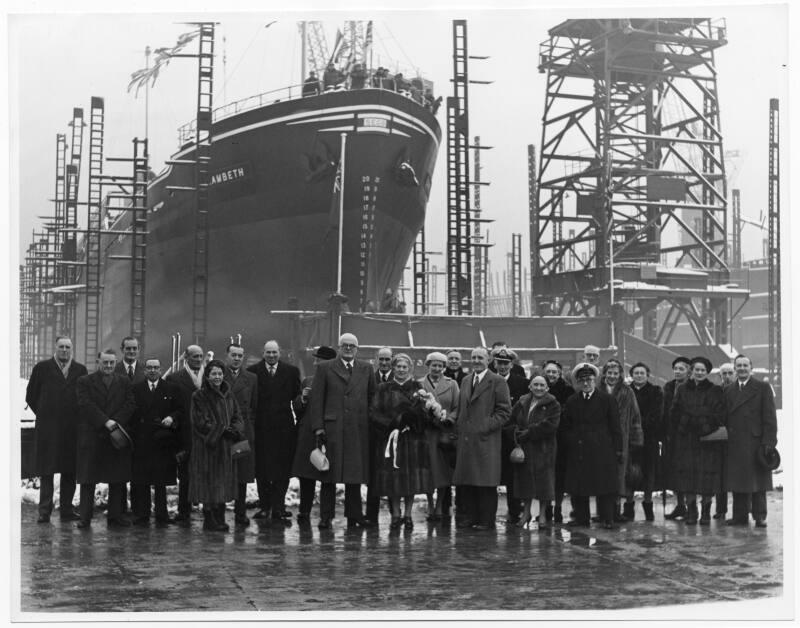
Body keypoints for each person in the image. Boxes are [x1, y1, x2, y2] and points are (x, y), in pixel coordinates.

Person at [309, 333, 376, 529]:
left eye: (352, 346)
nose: (348, 349)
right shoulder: (325, 368)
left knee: (354, 476)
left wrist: (369, 423)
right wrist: (319, 427)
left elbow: (373, 398)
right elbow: (317, 400)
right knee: (328, 474)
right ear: (339, 347)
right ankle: (326, 516)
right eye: (344, 346)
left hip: (358, 429)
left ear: (357, 349)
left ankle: (354, 516)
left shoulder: (366, 368)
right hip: (333, 428)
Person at [26, 336, 88, 523]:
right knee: (47, 471)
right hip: (48, 430)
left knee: (69, 471)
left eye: (68, 347)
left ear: (72, 349)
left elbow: (85, 398)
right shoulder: (42, 368)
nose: (64, 350)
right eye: (61, 346)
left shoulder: (80, 370)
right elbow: (31, 396)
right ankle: (44, 511)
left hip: (72, 430)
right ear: (55, 348)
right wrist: (45, 414)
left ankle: (67, 510)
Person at [452, 347, 512, 531]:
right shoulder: (465, 380)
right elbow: (462, 408)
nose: (476, 360)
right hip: (466, 440)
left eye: (480, 357)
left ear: (489, 361)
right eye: (473, 357)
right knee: (468, 481)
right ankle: (468, 517)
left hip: (486, 440)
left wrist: (484, 426)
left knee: (485, 483)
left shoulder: (497, 381)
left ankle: (486, 520)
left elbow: (504, 411)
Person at [372, 353, 435, 529]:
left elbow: (425, 413)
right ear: (393, 368)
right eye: (398, 366)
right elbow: (375, 412)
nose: (401, 370)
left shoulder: (418, 387)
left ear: (410, 369)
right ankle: (396, 513)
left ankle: (408, 514)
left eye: (404, 367)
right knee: (393, 476)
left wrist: (414, 419)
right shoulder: (383, 388)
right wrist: (393, 423)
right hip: (391, 438)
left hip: (412, 439)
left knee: (410, 478)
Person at [75, 349, 136, 528]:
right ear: (98, 362)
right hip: (92, 435)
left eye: (111, 363)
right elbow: (84, 404)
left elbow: (130, 404)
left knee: (117, 479)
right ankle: (85, 518)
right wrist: (104, 421)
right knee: (88, 479)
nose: (108, 366)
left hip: (115, 436)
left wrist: (115, 422)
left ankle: (115, 517)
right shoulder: (84, 381)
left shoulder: (124, 381)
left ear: (115, 363)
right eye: (105, 362)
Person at [561, 363, 622, 530]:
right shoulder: (572, 401)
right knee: (579, 486)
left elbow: (616, 427)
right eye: (582, 380)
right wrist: (572, 441)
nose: (586, 383)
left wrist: (617, 449)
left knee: (605, 485)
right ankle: (582, 518)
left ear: (595, 380)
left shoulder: (607, 400)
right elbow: (566, 426)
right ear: (578, 382)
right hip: (579, 449)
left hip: (602, 449)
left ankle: (607, 518)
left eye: (589, 379)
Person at [247, 340, 302, 525]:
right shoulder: (253, 371)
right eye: (268, 352)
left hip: (284, 427)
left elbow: (296, 398)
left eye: (274, 352)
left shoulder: (291, 371)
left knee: (282, 469)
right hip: (261, 427)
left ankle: (278, 507)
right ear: (263, 353)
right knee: (262, 468)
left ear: (280, 352)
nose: (271, 355)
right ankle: (265, 506)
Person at [189, 359, 245, 532]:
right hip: (208, 448)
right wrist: (221, 431)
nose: (217, 377)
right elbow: (199, 422)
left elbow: (238, 416)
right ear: (207, 376)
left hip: (226, 447)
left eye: (220, 373)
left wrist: (235, 430)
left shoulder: (229, 394)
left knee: (223, 482)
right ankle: (209, 518)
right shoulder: (199, 396)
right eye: (213, 373)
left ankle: (219, 515)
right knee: (208, 482)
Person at [669, 356, 725, 525]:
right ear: (691, 371)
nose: (699, 373)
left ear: (707, 372)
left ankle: (706, 511)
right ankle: (692, 511)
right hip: (686, 440)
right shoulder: (682, 389)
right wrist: (684, 425)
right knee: (688, 476)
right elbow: (675, 411)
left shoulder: (715, 390)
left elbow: (719, 414)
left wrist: (704, 426)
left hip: (707, 440)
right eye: (696, 370)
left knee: (708, 476)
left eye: (703, 370)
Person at [724, 355, 778, 528]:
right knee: (738, 480)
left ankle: (760, 516)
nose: (741, 368)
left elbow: (770, 417)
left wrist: (769, 441)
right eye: (738, 365)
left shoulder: (762, 388)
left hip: (756, 442)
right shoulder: (729, 390)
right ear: (734, 368)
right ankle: (739, 516)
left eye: (745, 365)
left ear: (751, 368)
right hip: (735, 441)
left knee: (758, 481)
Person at [129, 358, 181, 527]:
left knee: (161, 481)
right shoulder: (136, 389)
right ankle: (142, 514)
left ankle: (162, 514)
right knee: (142, 480)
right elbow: (131, 412)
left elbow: (180, 410)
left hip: (162, 441)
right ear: (144, 371)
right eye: (149, 367)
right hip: (142, 440)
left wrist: (171, 418)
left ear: (161, 370)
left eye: (156, 368)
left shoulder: (170, 388)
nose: (152, 370)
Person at [290, 345, 338, 523]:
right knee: (306, 476)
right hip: (307, 433)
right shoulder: (308, 381)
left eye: (320, 359)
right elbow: (297, 409)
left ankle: (326, 516)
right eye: (316, 359)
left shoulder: (339, 382)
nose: (316, 362)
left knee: (328, 477)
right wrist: (302, 399)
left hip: (329, 434)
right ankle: (304, 511)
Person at [511, 376, 561, 530]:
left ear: (547, 388)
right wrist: (516, 432)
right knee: (525, 482)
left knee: (544, 482)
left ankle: (542, 514)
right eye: (536, 385)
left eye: (542, 385)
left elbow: (551, 425)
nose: (539, 388)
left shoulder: (553, 404)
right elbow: (512, 420)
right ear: (530, 387)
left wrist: (530, 432)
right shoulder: (522, 402)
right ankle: (525, 513)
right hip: (525, 449)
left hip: (544, 448)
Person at [165, 344, 205, 526]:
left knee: (206, 472)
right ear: (186, 358)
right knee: (186, 475)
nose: (198, 359)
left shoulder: (211, 375)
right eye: (194, 356)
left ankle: (208, 509)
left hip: (206, 432)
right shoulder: (175, 378)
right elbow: (172, 408)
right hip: (185, 433)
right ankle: (184, 510)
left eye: (200, 356)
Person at [600, 359, 643, 522]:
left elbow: (635, 417)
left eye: (615, 373)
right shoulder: (598, 389)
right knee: (602, 474)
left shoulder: (627, 392)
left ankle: (615, 511)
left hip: (622, 439)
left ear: (620, 375)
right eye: (609, 373)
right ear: (604, 374)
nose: (612, 376)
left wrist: (636, 440)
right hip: (601, 438)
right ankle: (603, 512)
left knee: (619, 475)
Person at [419, 352, 459, 522]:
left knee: (443, 471)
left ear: (444, 367)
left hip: (444, 433)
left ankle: (440, 506)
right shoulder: (419, 383)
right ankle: (429, 504)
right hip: (426, 432)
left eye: (440, 366)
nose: (437, 368)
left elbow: (458, 407)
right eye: (433, 365)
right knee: (428, 470)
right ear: (428, 365)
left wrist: (448, 419)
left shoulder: (452, 384)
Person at [493, 347, 529, 525]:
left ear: (511, 364)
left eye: (506, 363)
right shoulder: (488, 381)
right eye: (499, 363)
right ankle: (489, 511)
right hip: (493, 434)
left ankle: (515, 510)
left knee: (513, 475)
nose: (502, 366)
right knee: (491, 474)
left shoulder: (522, 383)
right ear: (495, 363)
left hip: (512, 436)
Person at [224, 343, 258, 527]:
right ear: (227, 355)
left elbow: (254, 406)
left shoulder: (251, 378)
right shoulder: (218, 375)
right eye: (234, 355)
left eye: (240, 355)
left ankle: (240, 512)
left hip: (243, 432)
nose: (237, 358)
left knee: (242, 476)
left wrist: (247, 427)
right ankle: (219, 512)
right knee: (222, 473)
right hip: (224, 431)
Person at [628, 362, 664, 521]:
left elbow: (657, 413)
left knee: (649, 472)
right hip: (630, 438)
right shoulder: (627, 391)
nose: (639, 375)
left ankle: (648, 504)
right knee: (630, 472)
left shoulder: (656, 391)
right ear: (632, 375)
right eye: (636, 373)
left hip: (649, 437)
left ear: (647, 375)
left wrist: (642, 425)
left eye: (642, 373)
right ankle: (628, 506)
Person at [541, 360, 574, 524]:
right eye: (548, 371)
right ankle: (546, 507)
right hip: (543, 437)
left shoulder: (568, 390)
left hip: (561, 437)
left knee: (560, 474)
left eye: (554, 372)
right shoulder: (539, 387)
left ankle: (558, 508)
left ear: (560, 373)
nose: (551, 375)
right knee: (545, 474)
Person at [662, 356, 692, 521]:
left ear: (688, 371)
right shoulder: (668, 387)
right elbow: (664, 410)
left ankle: (690, 506)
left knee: (687, 471)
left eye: (681, 369)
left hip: (687, 435)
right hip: (671, 435)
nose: (677, 371)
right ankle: (680, 505)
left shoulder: (692, 387)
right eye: (676, 369)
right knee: (675, 471)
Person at [714, 361, 736, 520]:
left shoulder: (739, 390)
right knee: (720, 475)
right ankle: (721, 510)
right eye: (724, 374)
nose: (727, 376)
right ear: (720, 375)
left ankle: (741, 509)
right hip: (720, 438)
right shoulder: (717, 391)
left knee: (738, 475)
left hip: (737, 438)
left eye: (730, 373)